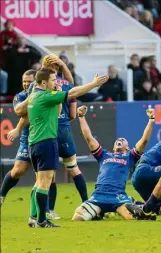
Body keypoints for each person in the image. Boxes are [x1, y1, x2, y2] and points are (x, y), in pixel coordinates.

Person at [18, 68, 108, 228]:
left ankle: (33, 217)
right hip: (46, 142)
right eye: (53, 80)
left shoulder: (33, 97)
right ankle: (41, 220)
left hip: (35, 143)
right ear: (44, 83)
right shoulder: (45, 96)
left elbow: (57, 110)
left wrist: (57, 95)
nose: (56, 82)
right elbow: (73, 93)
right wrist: (93, 84)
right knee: (44, 183)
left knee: (39, 182)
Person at [13, 54, 89, 219]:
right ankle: (86, 203)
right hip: (57, 132)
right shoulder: (59, 87)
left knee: (43, 178)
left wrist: (18, 129)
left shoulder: (35, 89)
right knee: (70, 170)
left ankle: (43, 212)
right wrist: (93, 83)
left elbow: (22, 112)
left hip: (35, 138)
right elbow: (72, 107)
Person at [72, 106, 154, 221]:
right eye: (118, 140)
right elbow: (88, 138)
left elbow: (144, 140)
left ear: (128, 148)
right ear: (114, 146)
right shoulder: (103, 155)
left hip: (118, 197)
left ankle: (134, 206)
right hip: (98, 195)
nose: (119, 140)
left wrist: (151, 120)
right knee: (77, 218)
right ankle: (102, 213)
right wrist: (81, 117)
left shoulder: (129, 156)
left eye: (123, 140)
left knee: (133, 219)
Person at [0, 70, 36, 205]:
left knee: (48, 175)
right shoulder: (20, 96)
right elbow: (21, 112)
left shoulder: (46, 94)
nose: (26, 84)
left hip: (45, 136)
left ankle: (48, 209)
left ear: (37, 80)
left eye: (29, 81)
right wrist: (32, 97)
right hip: (27, 138)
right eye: (24, 81)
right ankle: (1, 195)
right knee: (18, 170)